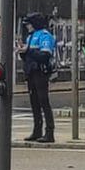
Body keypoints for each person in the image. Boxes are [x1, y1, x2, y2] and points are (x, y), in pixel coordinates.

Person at [21, 13, 56, 143]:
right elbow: (28, 56)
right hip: (31, 72)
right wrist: (23, 52)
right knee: (34, 103)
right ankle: (37, 131)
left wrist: (28, 50)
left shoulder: (45, 36)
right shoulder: (30, 36)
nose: (28, 27)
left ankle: (49, 132)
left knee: (43, 102)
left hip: (41, 72)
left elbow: (45, 56)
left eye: (29, 24)